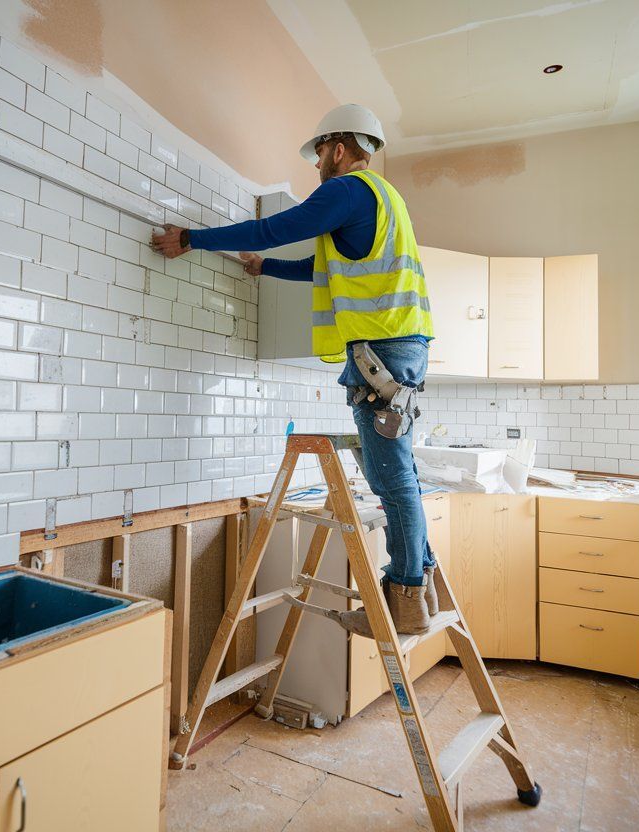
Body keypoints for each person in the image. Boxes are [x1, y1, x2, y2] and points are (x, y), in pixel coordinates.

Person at [150, 104, 438, 635]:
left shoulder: (346, 189)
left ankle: (405, 600)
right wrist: (267, 269)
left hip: (382, 352)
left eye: (320, 154)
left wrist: (191, 239)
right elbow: (321, 267)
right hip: (402, 346)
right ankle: (420, 582)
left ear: (338, 148)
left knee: (391, 477)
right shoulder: (385, 198)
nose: (317, 166)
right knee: (395, 474)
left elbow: (271, 228)